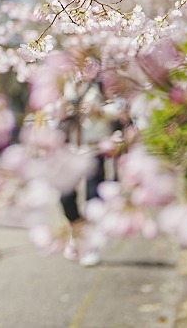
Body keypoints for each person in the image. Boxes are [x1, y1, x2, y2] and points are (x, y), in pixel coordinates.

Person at [58, 77, 127, 267]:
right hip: (69, 149)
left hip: (95, 148)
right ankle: (76, 230)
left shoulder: (101, 82)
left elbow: (119, 107)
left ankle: (89, 246)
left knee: (92, 197)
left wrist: (100, 111)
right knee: (65, 197)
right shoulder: (63, 81)